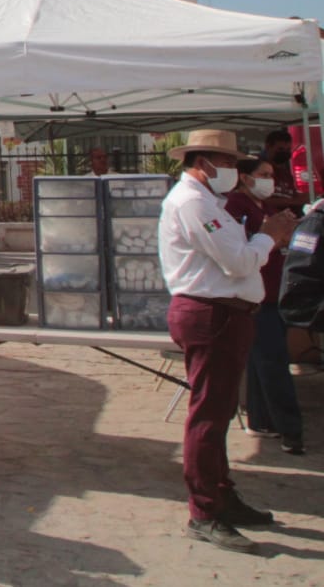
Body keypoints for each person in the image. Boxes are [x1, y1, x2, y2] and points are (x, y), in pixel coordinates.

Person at [158, 128, 298, 553]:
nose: (236, 173)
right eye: (230, 164)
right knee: (208, 416)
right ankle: (204, 511)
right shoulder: (193, 203)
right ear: (204, 164)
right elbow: (238, 261)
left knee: (216, 415)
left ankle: (220, 496)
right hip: (212, 315)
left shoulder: (206, 202)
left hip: (225, 314)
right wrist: (269, 235)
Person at [225, 157, 305, 455]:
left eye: (271, 175)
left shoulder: (266, 207)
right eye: (263, 174)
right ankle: (291, 431)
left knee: (262, 362)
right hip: (255, 299)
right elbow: (243, 248)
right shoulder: (236, 206)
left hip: (273, 294)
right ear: (245, 177)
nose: (270, 180)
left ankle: (262, 419)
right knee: (272, 363)